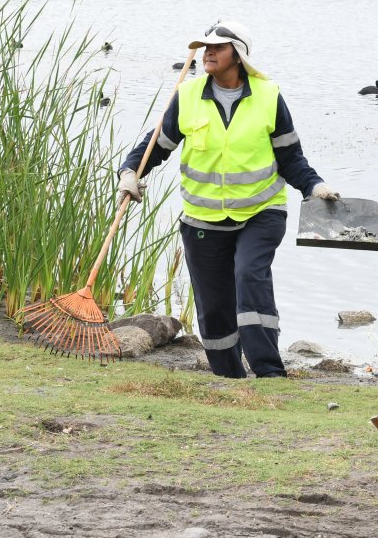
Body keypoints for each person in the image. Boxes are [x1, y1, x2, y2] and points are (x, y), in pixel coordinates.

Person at [117, 20, 340, 379]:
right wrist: (130, 172)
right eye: (206, 47)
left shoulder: (268, 96)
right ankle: (228, 377)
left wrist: (314, 187)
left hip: (261, 211)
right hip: (202, 219)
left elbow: (290, 157)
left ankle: (269, 373)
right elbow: (156, 146)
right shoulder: (187, 96)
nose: (208, 53)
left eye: (217, 48)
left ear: (238, 56)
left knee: (249, 276)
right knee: (214, 307)